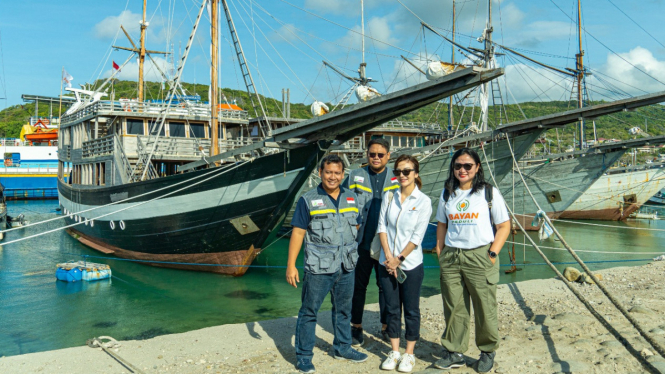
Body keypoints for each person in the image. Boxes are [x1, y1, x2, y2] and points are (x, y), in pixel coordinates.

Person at [286, 154, 369, 373]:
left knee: (343, 311)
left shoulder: (352, 198)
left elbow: (357, 226)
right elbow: (298, 232)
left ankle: (343, 348)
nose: (332, 177)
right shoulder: (308, 200)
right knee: (309, 311)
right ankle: (304, 356)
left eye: (337, 173)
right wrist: (291, 265)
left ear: (343, 175)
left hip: (347, 266)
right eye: (328, 172)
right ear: (320, 173)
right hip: (318, 268)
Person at [433, 148, 511, 373]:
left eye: (468, 166)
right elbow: (441, 223)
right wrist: (440, 249)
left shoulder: (488, 193)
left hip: (479, 255)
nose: (463, 170)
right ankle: (455, 352)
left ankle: (487, 351)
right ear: (453, 168)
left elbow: (504, 226)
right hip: (452, 255)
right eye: (458, 166)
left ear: (477, 167)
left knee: (485, 306)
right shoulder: (448, 193)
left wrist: (493, 253)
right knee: (454, 306)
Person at [377, 154, 432, 373]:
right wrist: (389, 257)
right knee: (391, 309)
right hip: (386, 263)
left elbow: (417, 237)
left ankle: (409, 353)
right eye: (398, 171)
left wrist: (398, 259)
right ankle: (395, 351)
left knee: (411, 309)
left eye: (406, 171)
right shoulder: (388, 197)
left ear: (415, 174)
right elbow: (381, 227)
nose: (402, 175)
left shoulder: (423, 201)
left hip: (410, 265)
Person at [343, 138, 400, 346]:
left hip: (387, 244)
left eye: (380, 155)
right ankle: (356, 327)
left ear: (388, 156)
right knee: (358, 287)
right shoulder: (355, 175)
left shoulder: (396, 177)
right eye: (372, 154)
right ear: (367, 154)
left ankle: (386, 326)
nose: (376, 158)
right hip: (361, 244)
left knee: (386, 287)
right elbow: (344, 200)